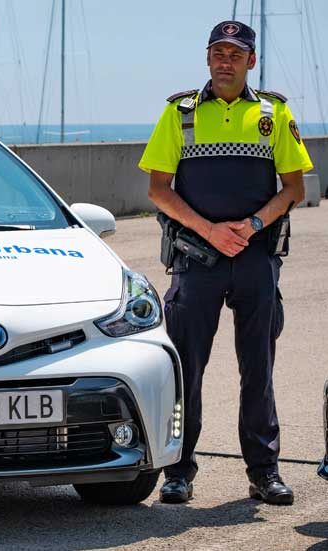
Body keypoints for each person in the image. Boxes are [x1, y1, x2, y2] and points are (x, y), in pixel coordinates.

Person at [139, 20, 313, 505]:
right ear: (207, 57)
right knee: (185, 371)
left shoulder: (273, 112)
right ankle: (178, 470)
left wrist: (253, 226)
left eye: (235, 54)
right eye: (217, 52)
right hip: (197, 261)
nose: (225, 61)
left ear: (251, 61)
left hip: (256, 260)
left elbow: (294, 189)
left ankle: (264, 472)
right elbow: (158, 191)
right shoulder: (181, 112)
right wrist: (210, 231)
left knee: (258, 369)